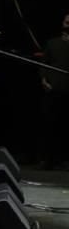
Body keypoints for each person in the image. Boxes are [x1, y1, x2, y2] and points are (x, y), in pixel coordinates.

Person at [40, 12, 69, 169]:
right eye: (66, 21)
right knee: (50, 125)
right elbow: (44, 64)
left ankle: (63, 159)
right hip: (53, 91)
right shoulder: (52, 43)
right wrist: (44, 81)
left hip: (67, 91)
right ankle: (49, 159)